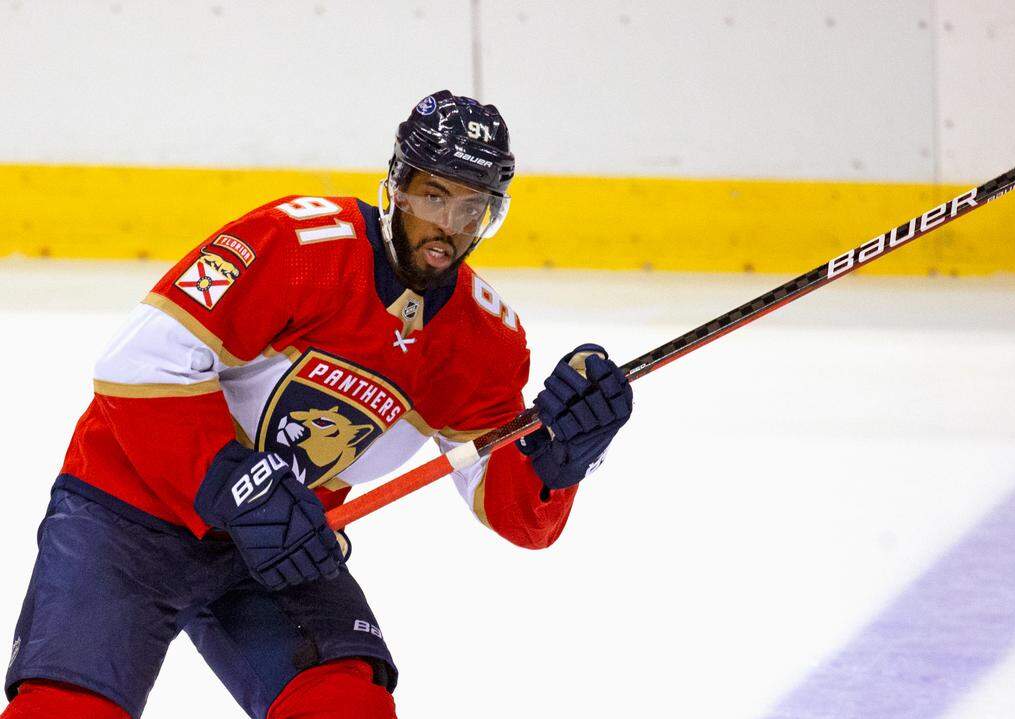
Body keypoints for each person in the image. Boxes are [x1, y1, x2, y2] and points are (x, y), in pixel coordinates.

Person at [2, 90, 633, 719]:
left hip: (280, 547)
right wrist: (233, 483)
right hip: (127, 514)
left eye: (473, 207)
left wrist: (559, 460)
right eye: (433, 196)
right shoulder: (296, 244)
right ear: (396, 185)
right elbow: (137, 363)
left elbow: (512, 508)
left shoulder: (483, 341)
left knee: (345, 707)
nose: (449, 226)